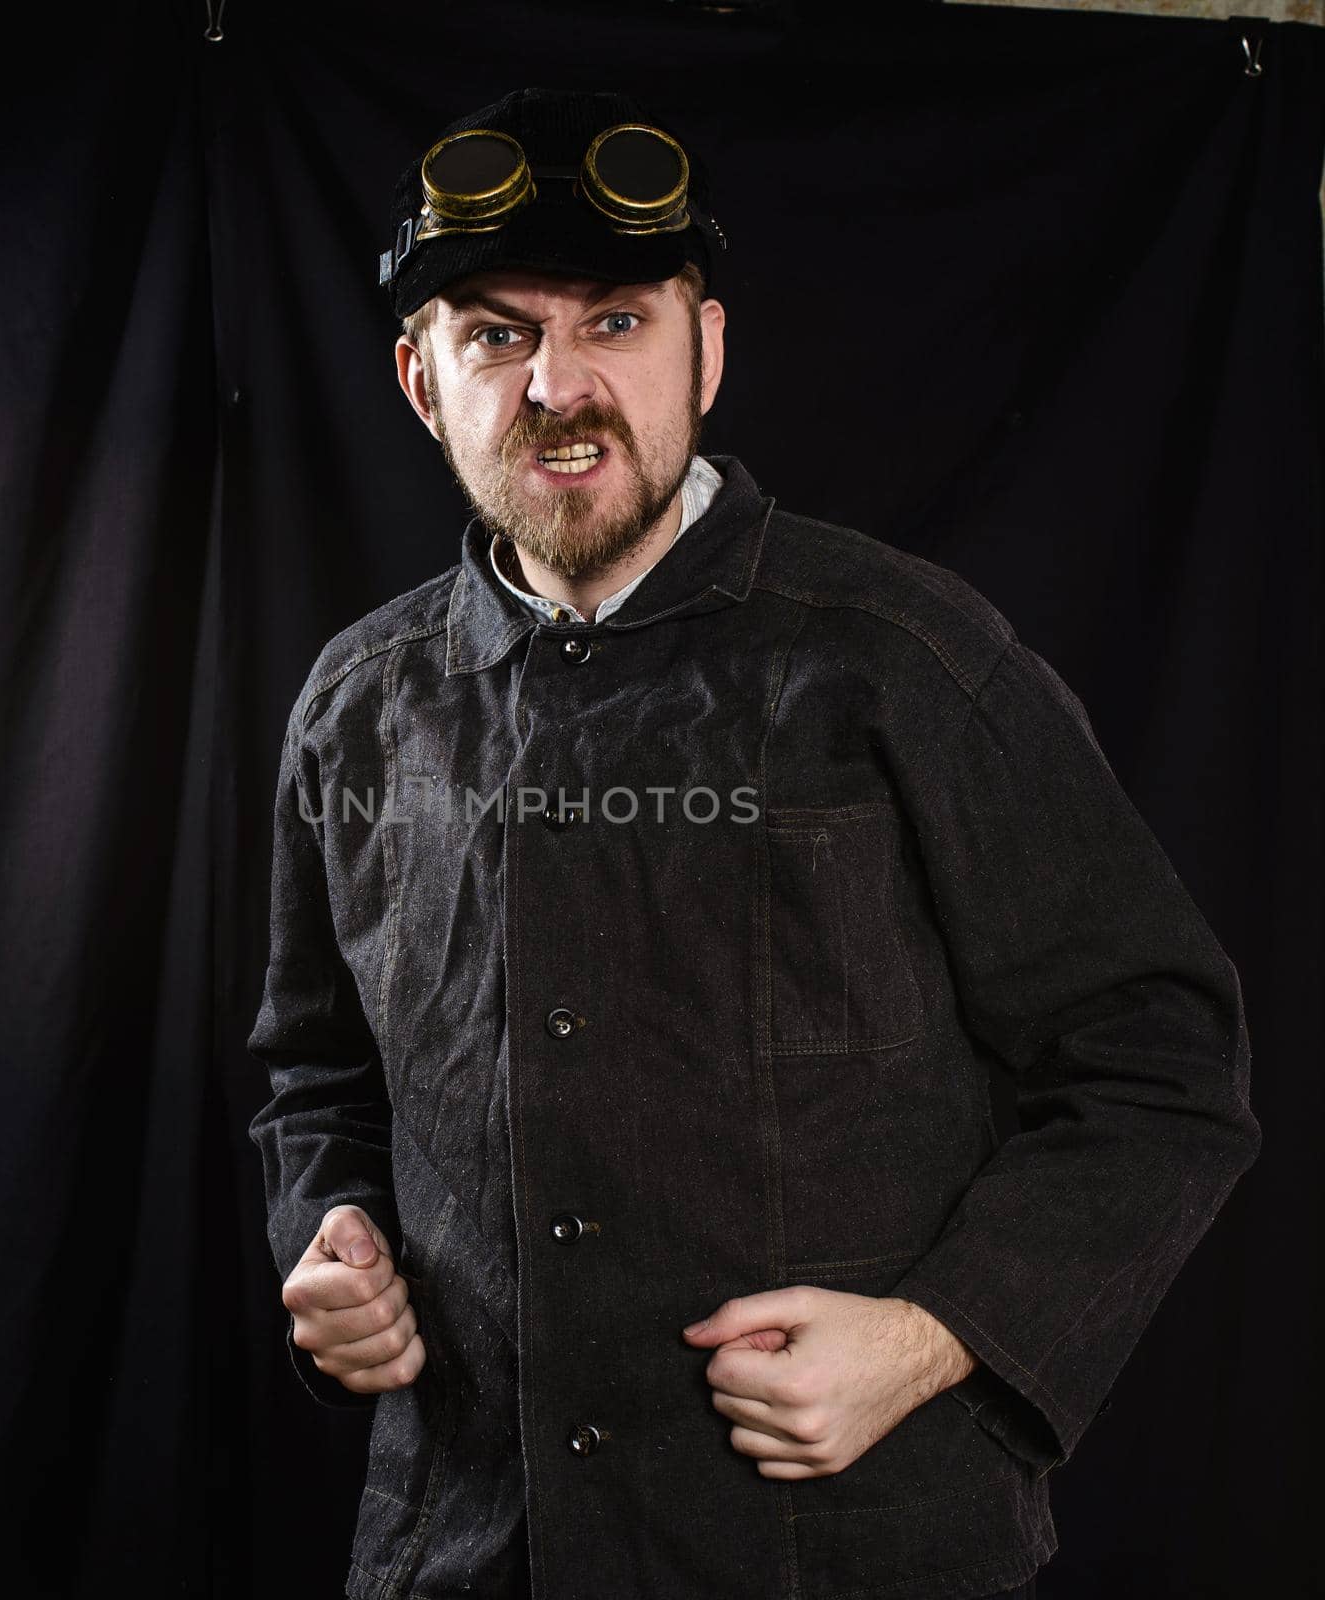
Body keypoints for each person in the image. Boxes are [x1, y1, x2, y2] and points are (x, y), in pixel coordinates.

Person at [246, 86, 1259, 1600]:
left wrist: (939, 1336)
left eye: (615, 323)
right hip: (462, 1546)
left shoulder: (907, 658)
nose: (557, 388)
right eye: (497, 336)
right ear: (420, 380)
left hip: (847, 1551)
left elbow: (1160, 1060)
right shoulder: (357, 709)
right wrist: (330, 1230)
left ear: (706, 349)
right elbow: (315, 1073)